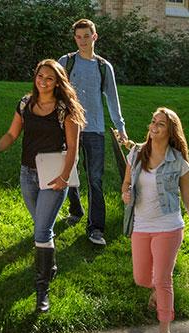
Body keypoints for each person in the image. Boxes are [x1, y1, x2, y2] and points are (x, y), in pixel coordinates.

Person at [0, 59, 85, 314]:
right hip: (28, 174)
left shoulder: (65, 109)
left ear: (58, 81)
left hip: (53, 177)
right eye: (40, 76)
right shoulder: (25, 103)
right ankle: (49, 266)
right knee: (42, 227)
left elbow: (73, 148)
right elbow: (11, 134)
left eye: (49, 78)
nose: (44, 81)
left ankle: (42, 291)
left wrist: (64, 177)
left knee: (41, 232)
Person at [116, 108, 189, 333]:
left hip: (169, 226)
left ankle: (164, 330)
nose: (154, 126)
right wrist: (126, 193)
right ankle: (155, 289)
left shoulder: (178, 161)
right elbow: (126, 183)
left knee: (164, 279)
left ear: (170, 131)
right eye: (153, 122)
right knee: (142, 278)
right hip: (141, 225)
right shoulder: (136, 154)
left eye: (161, 124)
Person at [57, 18, 128, 246]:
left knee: (95, 179)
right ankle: (75, 210)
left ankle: (96, 228)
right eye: (78, 37)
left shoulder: (103, 66)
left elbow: (113, 99)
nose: (82, 41)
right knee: (70, 173)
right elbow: (55, 95)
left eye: (86, 36)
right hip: (69, 127)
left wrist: (121, 129)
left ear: (94, 37)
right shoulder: (66, 62)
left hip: (95, 129)